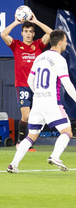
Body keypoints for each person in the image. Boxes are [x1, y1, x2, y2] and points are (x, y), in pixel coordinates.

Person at [7, 30, 76, 173]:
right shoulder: (59, 59)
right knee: (67, 131)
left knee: (31, 135)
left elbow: (29, 80)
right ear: (60, 42)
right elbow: (67, 83)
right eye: (65, 41)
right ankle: (55, 156)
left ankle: (13, 164)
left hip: (38, 103)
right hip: (51, 102)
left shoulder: (39, 57)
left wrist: (38, 93)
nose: (67, 43)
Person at [1, 12, 52, 151]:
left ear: (34, 33)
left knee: (36, 116)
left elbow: (52, 33)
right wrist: (16, 22)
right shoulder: (16, 45)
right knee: (26, 115)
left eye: (30, 31)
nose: (28, 34)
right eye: (26, 31)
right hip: (23, 85)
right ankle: (20, 141)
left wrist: (36, 21)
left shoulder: (38, 45)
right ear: (22, 33)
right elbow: (3, 34)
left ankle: (27, 144)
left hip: (38, 87)